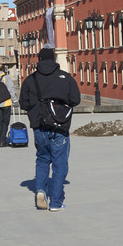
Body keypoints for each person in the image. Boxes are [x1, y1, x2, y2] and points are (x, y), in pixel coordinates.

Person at [20, 47, 81, 212]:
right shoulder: (65, 77)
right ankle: (55, 202)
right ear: (54, 59)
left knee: (42, 159)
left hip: (39, 126)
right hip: (60, 126)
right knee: (60, 163)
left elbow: (23, 104)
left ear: (38, 60)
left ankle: (40, 190)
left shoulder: (30, 79)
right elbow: (76, 99)